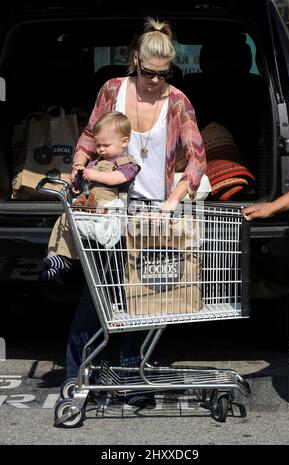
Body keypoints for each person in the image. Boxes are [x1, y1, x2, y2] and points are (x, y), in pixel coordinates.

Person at [66, 17, 207, 409]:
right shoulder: (113, 90)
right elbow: (90, 135)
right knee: (97, 299)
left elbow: (197, 160)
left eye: (164, 75)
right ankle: (75, 378)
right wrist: (78, 168)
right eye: (148, 73)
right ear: (134, 61)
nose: (155, 81)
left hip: (151, 216)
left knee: (141, 301)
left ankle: (133, 385)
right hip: (108, 209)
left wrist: (176, 197)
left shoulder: (177, 102)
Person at [41, 111, 140, 281]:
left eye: (106, 145)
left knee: (73, 218)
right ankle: (55, 258)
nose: (101, 149)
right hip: (89, 205)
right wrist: (78, 180)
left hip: (108, 209)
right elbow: (84, 184)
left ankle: (62, 260)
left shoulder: (127, 164)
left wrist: (94, 175)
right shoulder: (94, 162)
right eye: (98, 145)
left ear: (124, 142)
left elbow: (119, 178)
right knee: (65, 219)